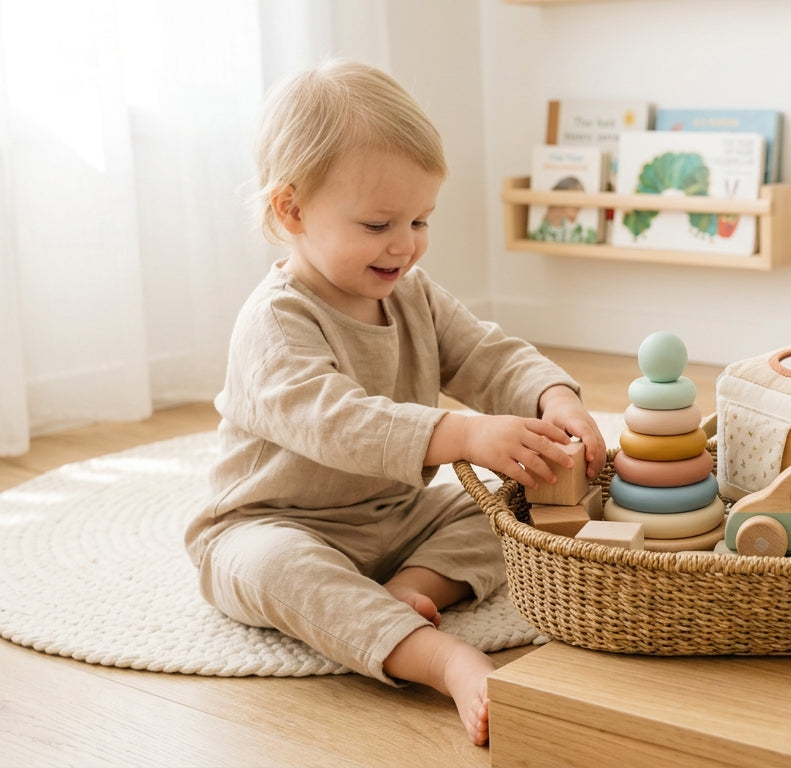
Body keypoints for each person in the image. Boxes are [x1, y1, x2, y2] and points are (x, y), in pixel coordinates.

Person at [185, 59, 606, 747]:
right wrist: (464, 433)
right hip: (273, 523)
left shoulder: (412, 293)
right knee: (276, 570)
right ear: (290, 210)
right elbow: (338, 422)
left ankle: (412, 587)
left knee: (518, 504)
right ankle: (442, 658)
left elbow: (485, 354)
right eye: (380, 223)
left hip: (396, 515)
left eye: (420, 219)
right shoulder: (274, 323)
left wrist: (552, 395)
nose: (406, 245)